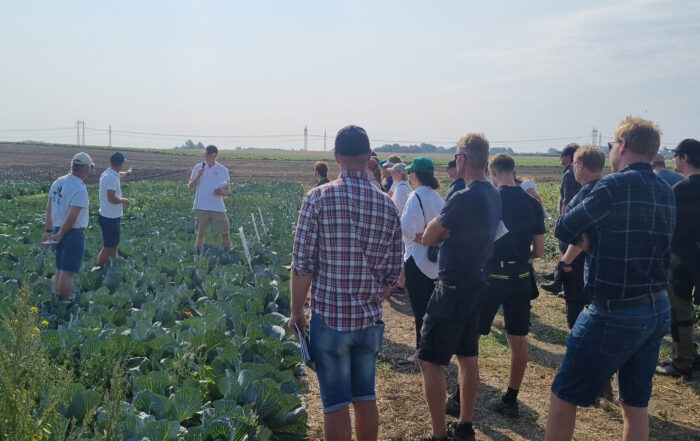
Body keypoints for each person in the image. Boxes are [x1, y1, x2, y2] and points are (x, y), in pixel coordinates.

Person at [545, 117, 674, 441]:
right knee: (634, 403)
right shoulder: (666, 188)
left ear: (624, 146)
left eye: (612, 145)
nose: (611, 151)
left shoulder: (612, 186)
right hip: (657, 307)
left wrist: (588, 235)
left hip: (615, 309)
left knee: (564, 393)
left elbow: (563, 228)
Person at [289, 125, 403, 441]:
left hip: (330, 320)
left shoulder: (317, 198)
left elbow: (302, 265)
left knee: (335, 404)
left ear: (337, 157)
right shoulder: (387, 204)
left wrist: (297, 309)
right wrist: (371, 297)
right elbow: (394, 273)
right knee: (365, 396)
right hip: (369, 320)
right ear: (369, 158)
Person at [420, 133, 501, 441]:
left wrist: (443, 232)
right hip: (478, 283)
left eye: (455, 158)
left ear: (463, 160)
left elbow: (429, 235)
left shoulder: (463, 196)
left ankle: (439, 434)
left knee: (429, 359)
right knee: (468, 358)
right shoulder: (494, 194)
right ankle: (465, 426)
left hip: (453, 286)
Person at [477, 153, 545, 418]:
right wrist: (519, 254)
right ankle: (511, 399)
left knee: (473, 335)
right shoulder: (532, 202)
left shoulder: (489, 200)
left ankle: (461, 396)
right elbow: (539, 251)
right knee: (518, 339)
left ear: (492, 172)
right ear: (513, 171)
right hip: (521, 277)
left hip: (491, 277)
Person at [656, 139, 700, 379]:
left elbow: (668, 225)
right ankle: (691, 353)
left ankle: (683, 362)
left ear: (684, 158)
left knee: (679, 311)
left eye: (676, 155)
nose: (673, 160)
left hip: (681, 258)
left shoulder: (681, 190)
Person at [401, 157, 444, 362]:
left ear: (415, 175)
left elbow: (407, 229)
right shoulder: (438, 198)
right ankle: (432, 347)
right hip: (436, 261)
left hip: (417, 259)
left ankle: (420, 351)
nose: (409, 176)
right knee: (431, 307)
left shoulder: (414, 196)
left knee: (419, 309)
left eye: (411, 173)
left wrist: (424, 239)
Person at [557, 146, 606, 329]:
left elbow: (582, 235)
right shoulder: (602, 188)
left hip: (577, 264)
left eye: (574, 164)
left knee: (577, 313)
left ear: (581, 165)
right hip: (588, 263)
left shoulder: (587, 192)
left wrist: (566, 262)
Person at [42, 152, 94, 301]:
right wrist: (60, 235)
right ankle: (63, 303)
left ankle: (57, 301)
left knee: (59, 268)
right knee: (67, 272)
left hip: (58, 229)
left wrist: (49, 231)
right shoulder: (79, 188)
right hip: (71, 233)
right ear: (86, 169)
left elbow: (49, 208)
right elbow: (72, 217)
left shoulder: (58, 182)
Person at [541, 144, 581, 294]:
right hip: (576, 216)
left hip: (568, 217)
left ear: (569, 157)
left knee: (564, 248)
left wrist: (563, 221)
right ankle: (558, 275)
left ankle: (560, 282)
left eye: (562, 155)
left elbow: (566, 199)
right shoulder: (574, 172)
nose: (560, 158)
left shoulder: (569, 174)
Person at [188, 145, 232, 251]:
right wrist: (198, 176)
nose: (205, 156)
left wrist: (220, 192)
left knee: (225, 233)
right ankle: (198, 253)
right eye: (204, 154)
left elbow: (228, 191)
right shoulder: (198, 167)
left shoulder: (223, 170)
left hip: (217, 207)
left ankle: (229, 253)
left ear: (214, 155)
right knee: (200, 234)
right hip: (201, 206)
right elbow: (190, 187)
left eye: (207, 154)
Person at [97, 152, 130, 268]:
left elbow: (119, 174)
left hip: (108, 215)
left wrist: (127, 173)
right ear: (120, 164)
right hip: (110, 217)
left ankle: (113, 266)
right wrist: (124, 200)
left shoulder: (107, 173)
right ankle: (99, 267)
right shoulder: (111, 178)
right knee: (108, 246)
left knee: (113, 245)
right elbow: (111, 198)